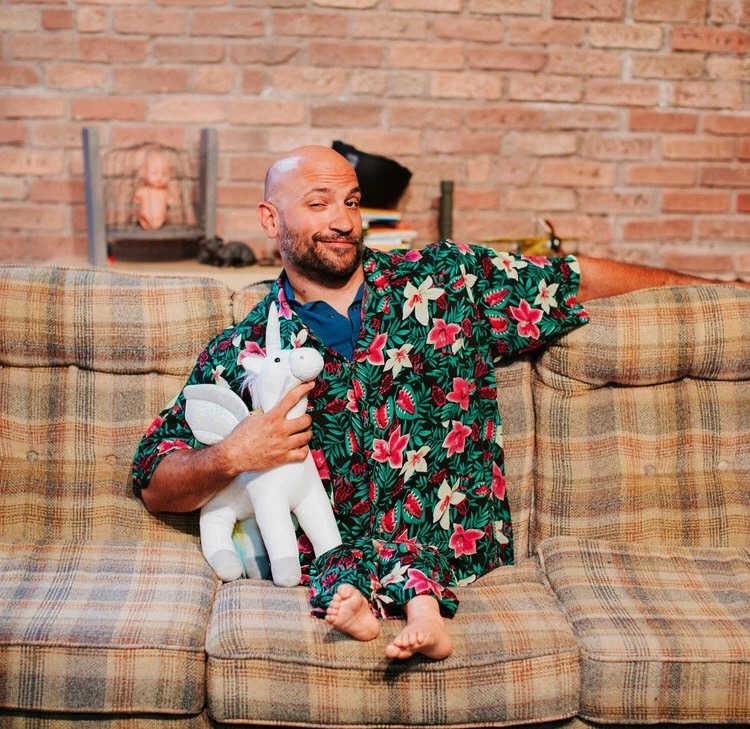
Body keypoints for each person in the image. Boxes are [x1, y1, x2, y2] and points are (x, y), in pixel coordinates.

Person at [132, 145, 748, 661]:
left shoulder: (447, 281)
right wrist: (232, 454)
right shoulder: (247, 350)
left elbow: (575, 278)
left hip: (459, 558)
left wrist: (726, 295)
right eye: (318, 204)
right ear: (271, 220)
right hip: (340, 578)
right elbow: (155, 478)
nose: (343, 220)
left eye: (351, 201)